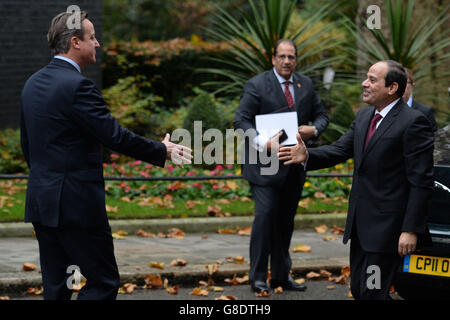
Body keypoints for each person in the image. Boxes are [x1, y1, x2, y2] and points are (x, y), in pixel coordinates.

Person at [20, 11, 192, 300]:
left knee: (57, 285)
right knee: (103, 282)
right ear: (76, 42)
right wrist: (163, 150)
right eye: (92, 37)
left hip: (42, 201)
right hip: (76, 206)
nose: (97, 43)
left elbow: (28, 146)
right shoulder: (78, 86)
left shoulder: (32, 84)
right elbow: (114, 136)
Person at [278, 60, 434, 300]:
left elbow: (420, 181)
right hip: (361, 227)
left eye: (372, 79)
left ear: (392, 88)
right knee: (361, 291)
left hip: (388, 230)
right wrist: (307, 155)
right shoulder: (364, 117)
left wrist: (410, 229)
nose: (364, 83)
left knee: (372, 292)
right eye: (366, 78)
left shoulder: (413, 122)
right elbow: (340, 150)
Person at [234, 39, 329, 293]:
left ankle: (280, 276)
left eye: (291, 57)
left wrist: (315, 129)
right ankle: (257, 277)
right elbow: (240, 121)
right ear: (273, 59)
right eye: (282, 57)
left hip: (293, 166)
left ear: (296, 60)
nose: (287, 61)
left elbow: (322, 115)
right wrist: (263, 143)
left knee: (285, 223)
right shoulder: (256, 85)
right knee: (265, 219)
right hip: (263, 167)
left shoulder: (305, 84)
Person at [403, 68, 438, 133]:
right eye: (397, 83)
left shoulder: (425, 112)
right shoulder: (386, 110)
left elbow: (434, 138)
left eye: (404, 82)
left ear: (413, 86)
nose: (401, 86)